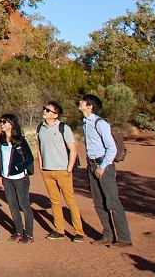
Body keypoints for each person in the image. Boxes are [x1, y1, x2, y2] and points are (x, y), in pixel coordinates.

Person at [79, 94, 132, 246]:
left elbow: (112, 148)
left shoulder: (99, 123)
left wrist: (102, 167)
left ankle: (124, 238)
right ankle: (107, 235)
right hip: (92, 165)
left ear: (90, 106)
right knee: (98, 203)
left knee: (112, 202)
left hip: (104, 166)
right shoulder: (85, 123)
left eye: (83, 101)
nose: (80, 103)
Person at [36, 100, 84, 241]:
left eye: (48, 110)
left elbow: (73, 149)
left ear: (55, 115)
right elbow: (39, 147)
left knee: (70, 201)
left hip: (62, 171)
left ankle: (79, 232)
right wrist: (41, 164)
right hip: (47, 171)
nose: (44, 111)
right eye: (44, 109)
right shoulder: (40, 128)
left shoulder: (64, 128)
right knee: (55, 201)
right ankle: (59, 230)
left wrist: (69, 167)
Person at [0, 113, 35, 243]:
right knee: (12, 205)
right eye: (1, 121)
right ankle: (18, 231)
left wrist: (18, 168)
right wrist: (1, 174)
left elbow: (29, 158)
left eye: (4, 122)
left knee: (24, 205)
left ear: (11, 124)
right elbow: (1, 157)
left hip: (20, 178)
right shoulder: (0, 138)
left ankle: (29, 235)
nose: (2, 124)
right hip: (6, 178)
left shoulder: (20, 140)